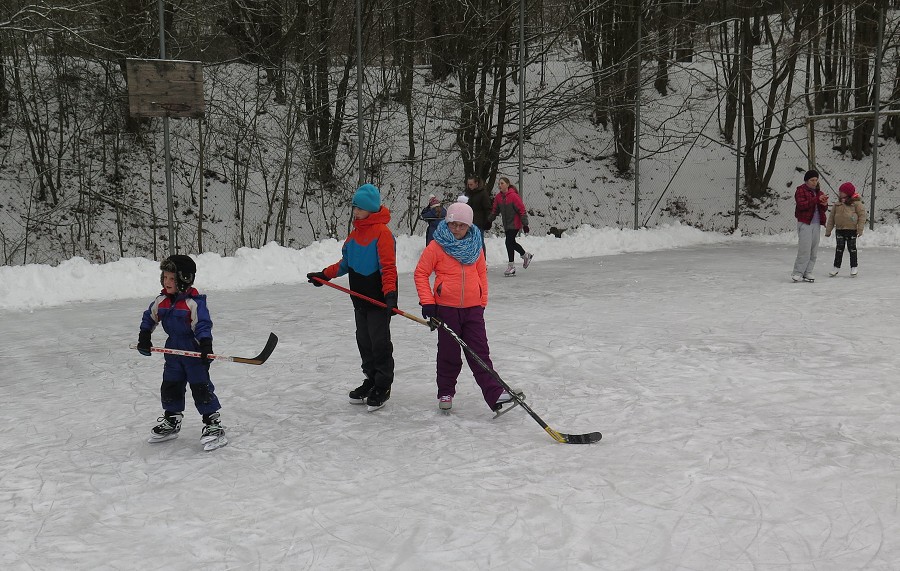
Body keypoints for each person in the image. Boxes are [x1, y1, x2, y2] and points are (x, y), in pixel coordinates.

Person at [414, 202, 514, 413]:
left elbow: (481, 275)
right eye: (453, 224)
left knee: (480, 353)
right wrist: (428, 302)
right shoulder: (436, 246)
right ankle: (446, 391)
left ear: (469, 226)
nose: (457, 229)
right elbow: (421, 274)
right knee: (449, 353)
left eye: (462, 225)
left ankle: (494, 394)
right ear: (447, 222)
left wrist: (482, 302)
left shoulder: (475, 247)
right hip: (446, 309)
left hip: (473, 309)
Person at [306, 183, 398, 411]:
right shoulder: (354, 236)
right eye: (354, 207)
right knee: (364, 342)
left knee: (379, 343)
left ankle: (383, 384)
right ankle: (371, 379)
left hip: (377, 301)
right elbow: (345, 264)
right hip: (359, 300)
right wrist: (323, 275)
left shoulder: (383, 234)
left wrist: (391, 295)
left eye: (359, 208)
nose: (355, 212)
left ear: (371, 209)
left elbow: (388, 268)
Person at [136, 254, 227, 451]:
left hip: (193, 352)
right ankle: (172, 419)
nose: (166, 282)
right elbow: (149, 317)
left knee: (201, 388)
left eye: (171, 278)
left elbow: (202, 324)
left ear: (184, 279)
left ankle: (212, 423)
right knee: (171, 386)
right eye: (165, 277)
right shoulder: (162, 301)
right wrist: (145, 336)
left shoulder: (194, 303)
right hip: (173, 352)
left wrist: (205, 344)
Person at [489, 176, 532, 277]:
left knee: (508, 242)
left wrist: (525, 224)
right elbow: (495, 210)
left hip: (515, 223)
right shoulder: (498, 197)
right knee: (511, 242)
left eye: (502, 183)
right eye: (499, 184)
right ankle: (525, 255)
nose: (500, 185)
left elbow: (522, 210)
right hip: (507, 224)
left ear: (507, 184)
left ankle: (511, 266)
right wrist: (489, 220)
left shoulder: (514, 196)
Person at [791, 169, 829, 283]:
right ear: (806, 181)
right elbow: (802, 205)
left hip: (816, 224)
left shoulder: (819, 192)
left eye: (816, 180)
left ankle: (808, 271)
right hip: (805, 223)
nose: (814, 182)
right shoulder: (800, 190)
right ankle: (798, 272)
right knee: (804, 249)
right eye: (812, 180)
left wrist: (824, 204)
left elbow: (823, 209)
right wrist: (816, 200)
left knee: (813, 250)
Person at [825, 182, 866, 277]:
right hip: (839, 230)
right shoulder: (837, 204)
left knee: (852, 249)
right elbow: (831, 218)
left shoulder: (856, 203)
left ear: (848, 193)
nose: (840, 193)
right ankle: (836, 267)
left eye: (842, 192)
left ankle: (854, 267)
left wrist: (860, 229)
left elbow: (862, 216)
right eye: (840, 191)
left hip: (851, 230)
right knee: (839, 249)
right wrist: (828, 230)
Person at [464, 176, 493, 255]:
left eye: (471, 184)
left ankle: (482, 261)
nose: (469, 186)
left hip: (479, 222)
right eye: (468, 184)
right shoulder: (468, 193)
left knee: (479, 242)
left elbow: (488, 208)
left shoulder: (483, 194)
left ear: (476, 183)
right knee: (469, 242)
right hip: (468, 221)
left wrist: (488, 221)